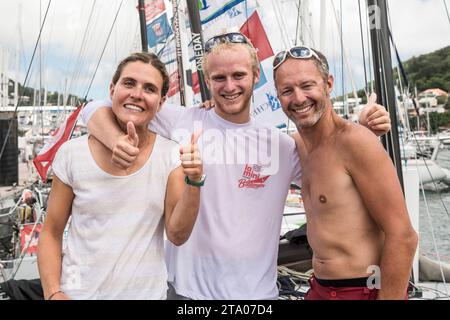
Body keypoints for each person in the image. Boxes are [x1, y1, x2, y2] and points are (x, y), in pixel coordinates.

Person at [81, 32, 391, 300]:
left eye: (239, 75)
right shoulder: (178, 120)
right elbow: (95, 108)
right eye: (219, 78)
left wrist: (360, 131)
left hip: (257, 295)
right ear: (208, 81)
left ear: (256, 76)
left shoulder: (282, 146)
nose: (229, 86)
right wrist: (115, 141)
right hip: (184, 291)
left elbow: (332, 162)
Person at [37, 52, 204, 300]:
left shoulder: (170, 155)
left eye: (149, 88)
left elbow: (177, 235)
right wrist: (53, 293)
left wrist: (194, 181)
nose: (137, 94)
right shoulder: (72, 153)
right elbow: (51, 231)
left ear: (160, 103)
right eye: (129, 83)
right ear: (112, 89)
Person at [273, 46, 418, 300]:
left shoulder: (355, 142)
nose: (298, 98)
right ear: (278, 96)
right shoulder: (297, 146)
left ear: (328, 84)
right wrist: (210, 108)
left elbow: (404, 236)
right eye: (287, 90)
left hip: (364, 289)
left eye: (307, 86)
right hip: (319, 287)